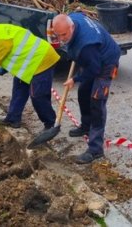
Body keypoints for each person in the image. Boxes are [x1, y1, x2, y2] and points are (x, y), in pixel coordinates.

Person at [51, 12, 121, 164]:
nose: (62, 39)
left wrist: (75, 79)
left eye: (64, 34)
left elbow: (94, 70)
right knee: (83, 92)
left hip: (106, 63)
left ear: (72, 27)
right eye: (58, 35)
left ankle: (95, 149)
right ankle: (86, 126)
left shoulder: (86, 45)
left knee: (97, 102)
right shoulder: (74, 17)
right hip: (93, 59)